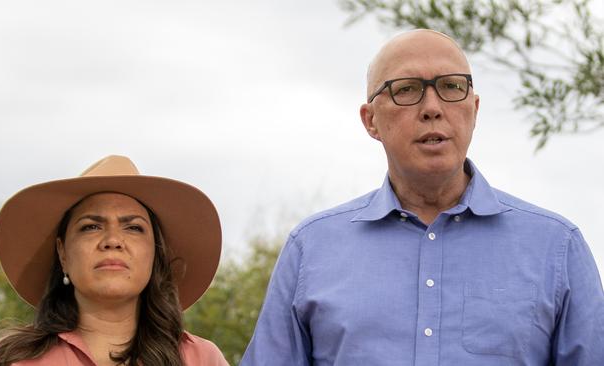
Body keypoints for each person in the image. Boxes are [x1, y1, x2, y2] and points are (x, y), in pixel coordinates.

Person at [241, 29, 604, 365]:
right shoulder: (311, 249)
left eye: (451, 86)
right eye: (408, 89)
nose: (433, 107)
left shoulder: (556, 247)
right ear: (371, 121)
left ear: (474, 110)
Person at [0, 155, 229, 366]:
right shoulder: (12, 359)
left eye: (133, 228)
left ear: (155, 254)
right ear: (62, 253)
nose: (112, 240)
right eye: (91, 227)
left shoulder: (200, 358)